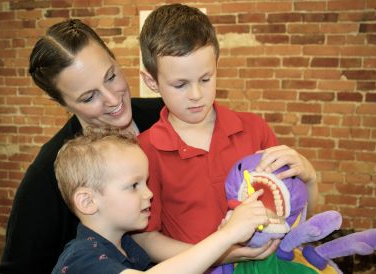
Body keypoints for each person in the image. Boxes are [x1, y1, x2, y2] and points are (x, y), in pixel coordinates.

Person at [0, 18, 278, 274]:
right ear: (63, 103)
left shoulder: (169, 114)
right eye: (89, 96)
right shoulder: (45, 177)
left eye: (111, 76)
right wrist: (223, 248)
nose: (112, 99)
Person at [134, 3, 318, 272]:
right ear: (152, 81)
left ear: (217, 66)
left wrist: (310, 178)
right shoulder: (145, 151)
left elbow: (298, 216)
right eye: (180, 84)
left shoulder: (254, 129)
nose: (196, 94)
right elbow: (145, 239)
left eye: (205, 79)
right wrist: (222, 253)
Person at [51, 129, 269, 274]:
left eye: (146, 182)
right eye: (134, 185)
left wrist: (227, 245)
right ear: (87, 201)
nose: (149, 194)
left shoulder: (127, 246)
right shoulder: (81, 259)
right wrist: (226, 236)